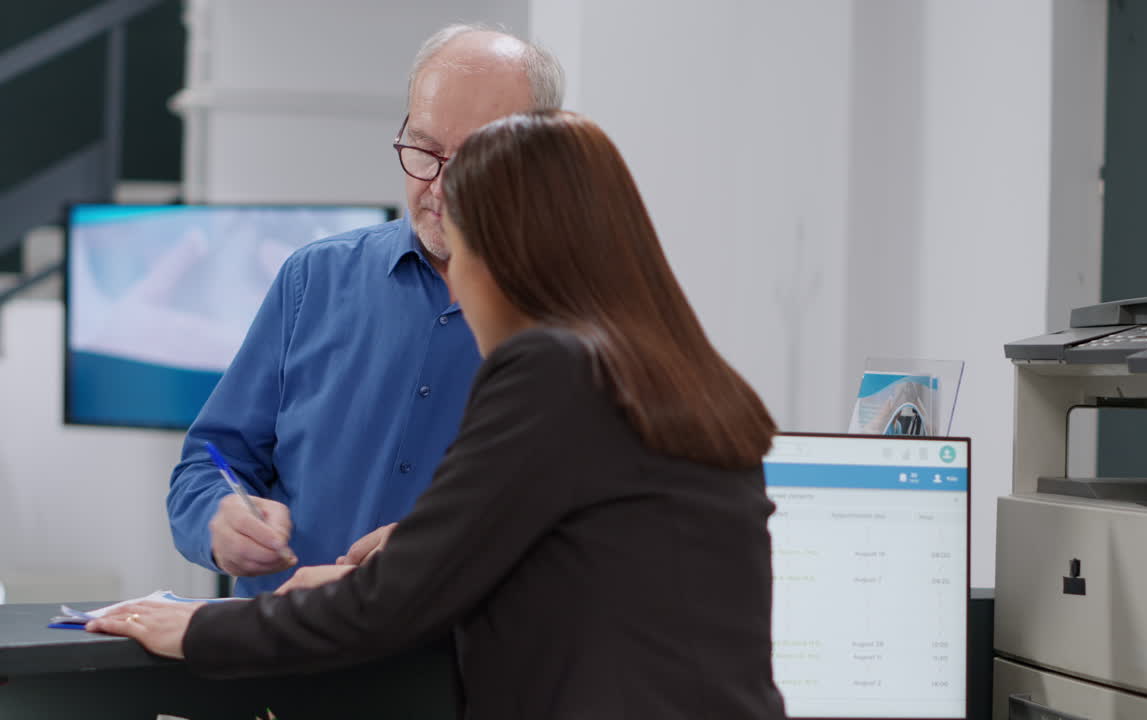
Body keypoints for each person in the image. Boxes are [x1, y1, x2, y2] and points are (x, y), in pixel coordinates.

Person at [89, 111, 788, 720]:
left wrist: (196, 628)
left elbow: (386, 607)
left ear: (512, 251)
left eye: (464, 250)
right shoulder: (681, 374)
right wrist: (431, 552)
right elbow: (603, 578)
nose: (453, 280)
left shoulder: (552, 368)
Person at [166, 25, 565, 596]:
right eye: (424, 150)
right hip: (281, 663)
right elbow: (211, 461)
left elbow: (595, 531)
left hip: (461, 674)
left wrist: (440, 548)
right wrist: (217, 515)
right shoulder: (315, 279)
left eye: (475, 157)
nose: (439, 188)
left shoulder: (580, 316)